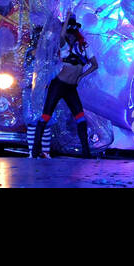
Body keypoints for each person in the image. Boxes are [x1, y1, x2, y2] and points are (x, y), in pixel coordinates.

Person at [30, 13, 98, 159]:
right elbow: (61, 35)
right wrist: (66, 17)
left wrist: (81, 76)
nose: (70, 34)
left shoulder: (84, 46)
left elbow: (95, 65)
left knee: (81, 118)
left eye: (72, 31)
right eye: (68, 31)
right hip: (58, 85)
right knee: (46, 116)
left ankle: (86, 153)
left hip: (70, 88)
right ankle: (35, 150)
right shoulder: (65, 45)